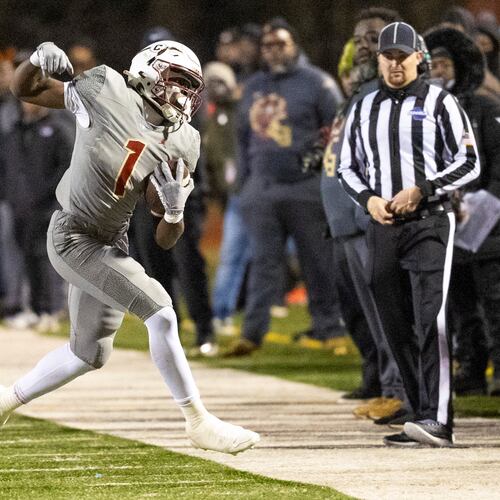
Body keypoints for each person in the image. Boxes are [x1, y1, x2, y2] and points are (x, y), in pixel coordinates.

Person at [0, 40, 259, 454]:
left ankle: (5, 400)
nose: (185, 96)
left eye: (191, 88)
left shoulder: (184, 141)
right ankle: (197, 420)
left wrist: (174, 213)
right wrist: (35, 61)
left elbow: (164, 237)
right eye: (179, 83)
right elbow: (25, 90)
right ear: (150, 73)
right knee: (161, 312)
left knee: (86, 354)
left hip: (110, 239)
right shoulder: (107, 89)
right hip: (72, 234)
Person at [338, 22, 480, 447]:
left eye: (403, 55)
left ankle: (439, 419)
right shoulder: (363, 107)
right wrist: (369, 200)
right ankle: (420, 413)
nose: (395, 63)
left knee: (431, 316)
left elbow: (468, 161)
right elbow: (347, 165)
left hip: (431, 221)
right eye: (388, 56)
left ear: (419, 57)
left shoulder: (441, 101)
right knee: (393, 321)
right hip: (382, 225)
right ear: (379, 60)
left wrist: (424, 188)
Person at [224, 18, 343, 356]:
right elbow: (242, 138)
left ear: (295, 45)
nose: (274, 51)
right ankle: (252, 333)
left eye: (280, 44)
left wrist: (326, 181)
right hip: (263, 189)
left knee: (318, 262)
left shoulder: (318, 83)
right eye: (268, 45)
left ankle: (329, 328)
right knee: (262, 264)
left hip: (306, 187)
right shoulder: (254, 85)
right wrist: (245, 187)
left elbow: (336, 134)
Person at [321, 7, 408, 423]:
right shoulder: (358, 92)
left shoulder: (389, 93)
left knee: (389, 312)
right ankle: (387, 386)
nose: (364, 46)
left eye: (374, 37)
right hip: (345, 221)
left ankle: (400, 391)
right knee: (371, 315)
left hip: (369, 218)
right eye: (359, 38)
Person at [425, 27, 500, 396]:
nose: (438, 71)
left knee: (494, 300)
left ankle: (499, 371)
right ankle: (470, 370)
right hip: (447, 222)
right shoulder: (424, 113)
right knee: (458, 306)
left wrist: (485, 202)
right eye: (433, 64)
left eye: (444, 63)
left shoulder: (486, 107)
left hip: (489, 226)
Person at [1, 99, 73, 331]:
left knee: (47, 258)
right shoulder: (13, 133)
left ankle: (53, 308)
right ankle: (33, 307)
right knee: (25, 258)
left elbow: (65, 168)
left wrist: (47, 194)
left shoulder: (56, 130)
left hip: (48, 207)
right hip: (18, 207)